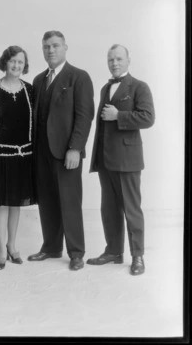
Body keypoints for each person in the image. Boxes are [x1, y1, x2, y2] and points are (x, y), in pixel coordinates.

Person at [27, 30, 94, 271]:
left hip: (67, 153)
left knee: (70, 202)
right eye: (46, 46)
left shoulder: (79, 77)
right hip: (41, 152)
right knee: (46, 201)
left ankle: (76, 252)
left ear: (65, 47)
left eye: (55, 45)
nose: (51, 50)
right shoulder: (38, 80)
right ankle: (51, 247)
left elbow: (85, 116)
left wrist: (75, 148)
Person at [87, 44, 155, 275]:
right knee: (109, 209)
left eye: (118, 59)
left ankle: (138, 257)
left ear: (128, 60)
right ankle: (114, 251)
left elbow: (148, 118)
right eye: (110, 60)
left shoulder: (139, 86)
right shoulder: (106, 88)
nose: (114, 63)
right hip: (106, 160)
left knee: (132, 210)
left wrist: (119, 116)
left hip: (127, 160)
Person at [0, 46, 36, 270]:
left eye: (20, 62)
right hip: (0, 157)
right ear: (5, 62)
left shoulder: (31, 90)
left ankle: (13, 245)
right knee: (2, 204)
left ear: (25, 66)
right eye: (12, 61)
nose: (16, 66)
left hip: (23, 157)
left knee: (16, 205)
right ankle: (1, 249)